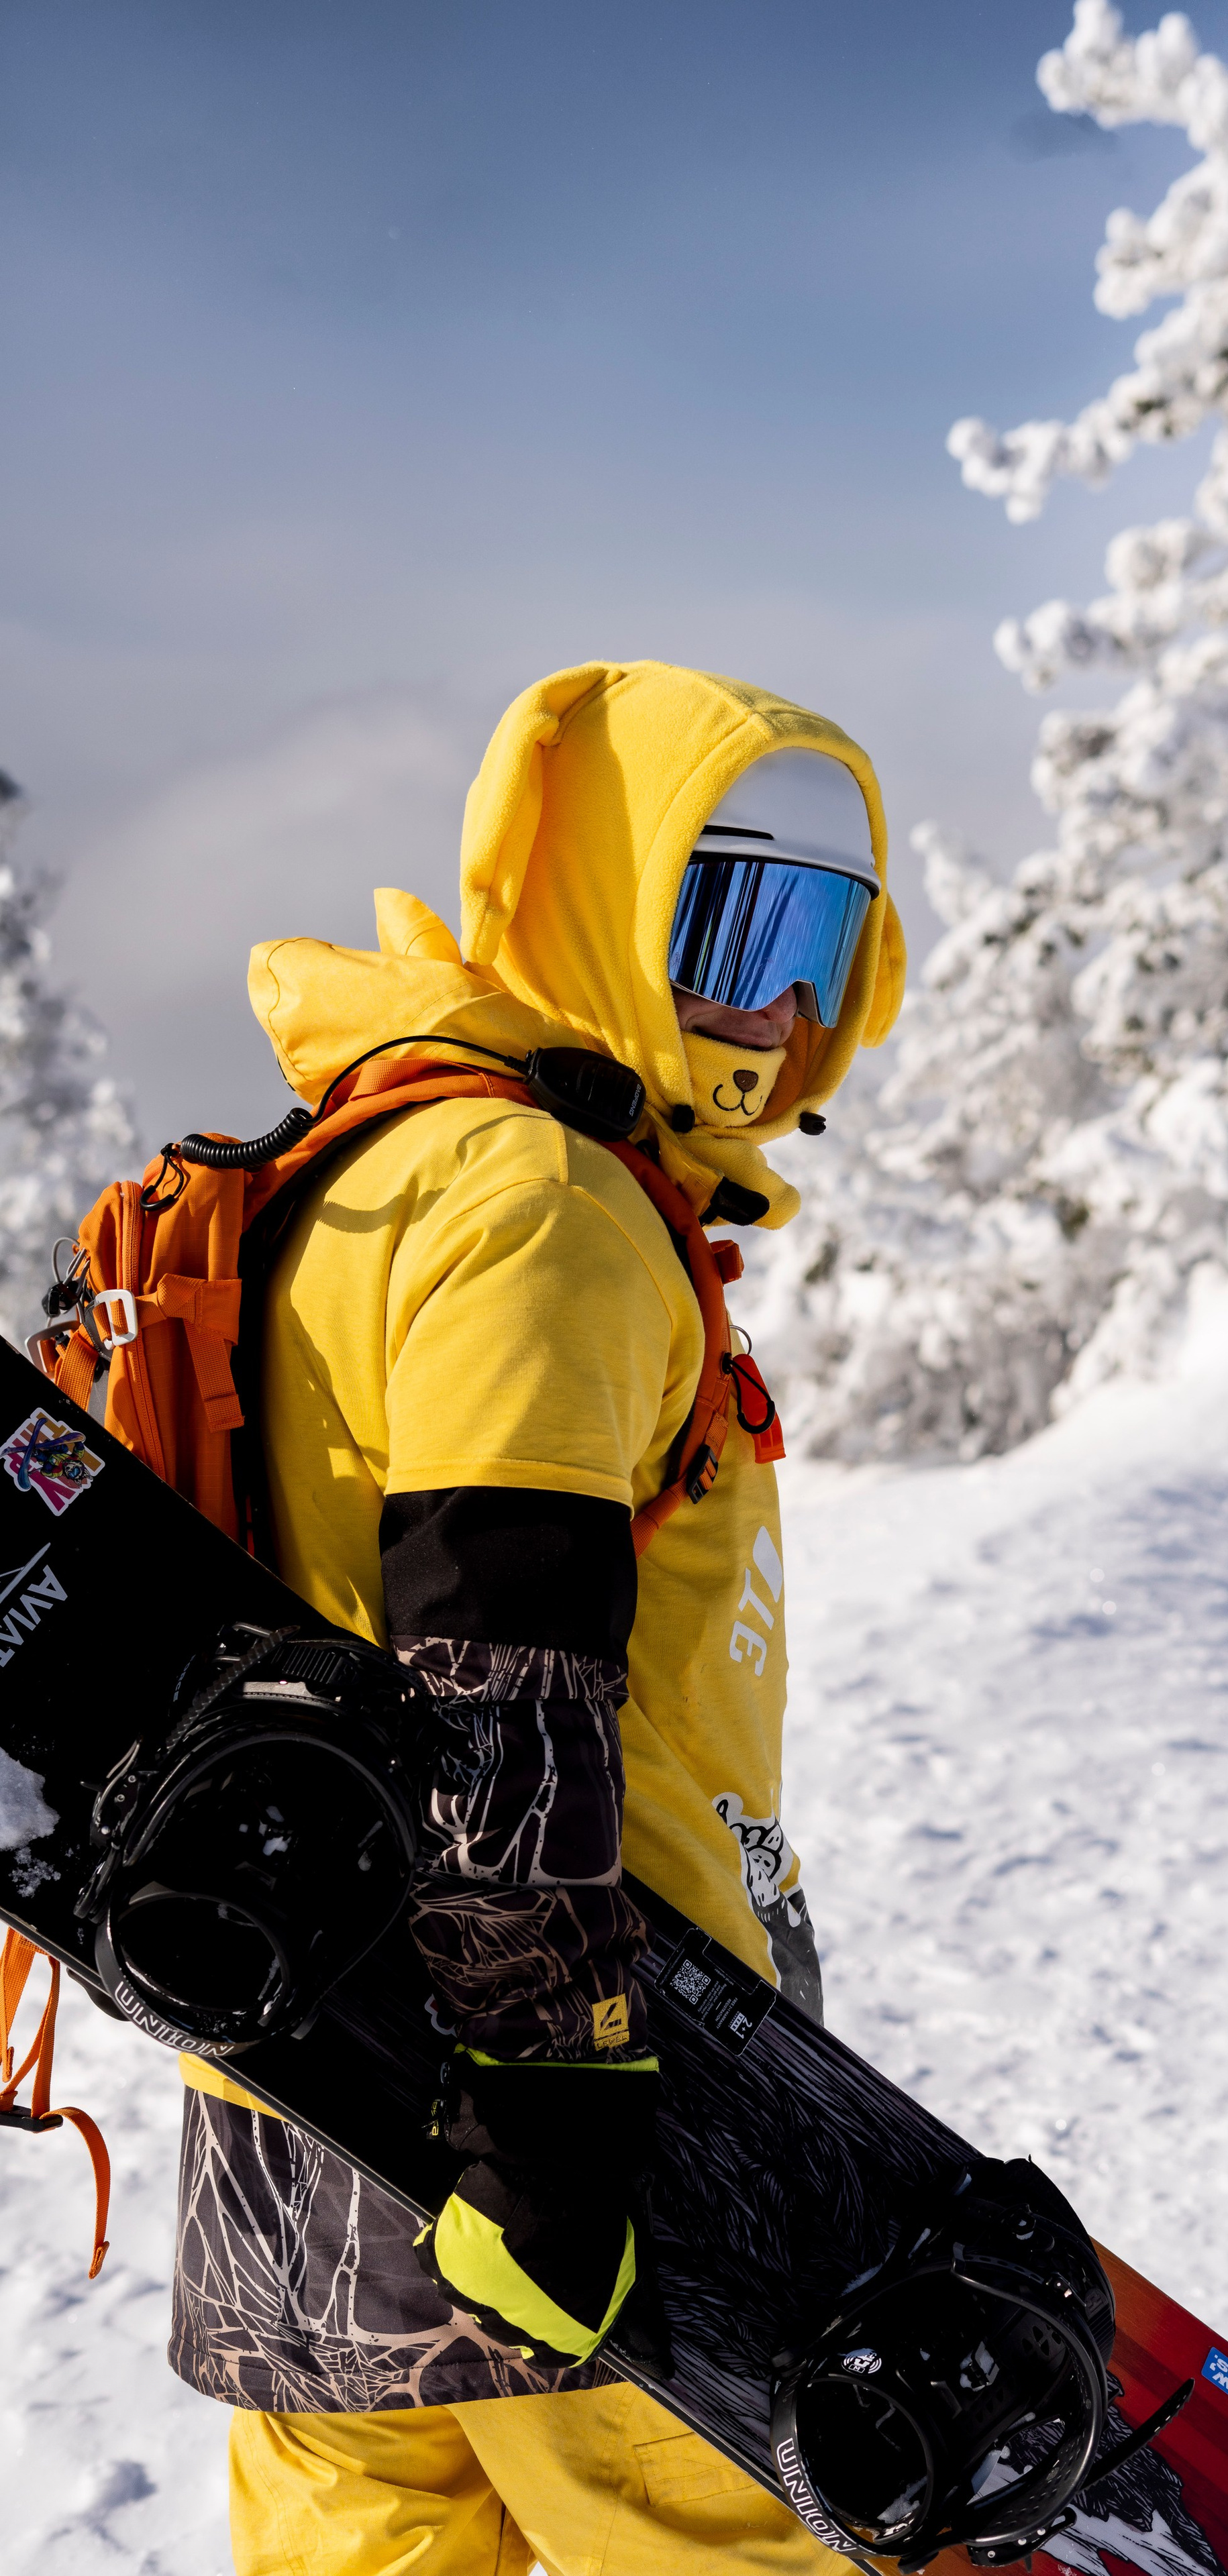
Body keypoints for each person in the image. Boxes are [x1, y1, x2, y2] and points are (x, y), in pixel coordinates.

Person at [166, 661, 905, 2575]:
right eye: (735, 924)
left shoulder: (379, 1161)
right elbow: (503, 1678)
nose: (787, 1010)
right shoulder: (542, 1205)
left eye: (828, 941)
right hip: (593, 2118)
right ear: (595, 900)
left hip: (310, 2099)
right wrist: (555, 2114)